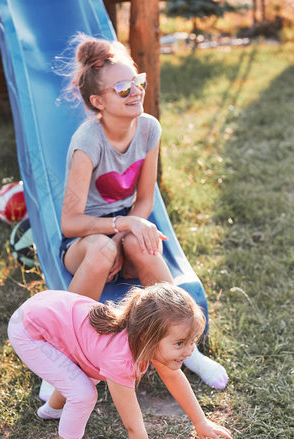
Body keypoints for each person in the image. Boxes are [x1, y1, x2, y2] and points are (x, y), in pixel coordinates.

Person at [58, 33, 228, 390]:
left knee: (142, 243)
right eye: (122, 88)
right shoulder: (87, 141)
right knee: (104, 249)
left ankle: (186, 347)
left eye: (137, 82)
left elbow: (146, 200)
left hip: (123, 227)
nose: (135, 91)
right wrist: (117, 229)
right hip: (85, 241)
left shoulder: (149, 128)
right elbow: (70, 223)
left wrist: (126, 232)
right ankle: (67, 355)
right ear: (97, 101)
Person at [8, 283, 233, 439]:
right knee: (83, 393)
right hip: (29, 329)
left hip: (48, 311)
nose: (189, 350)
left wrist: (200, 421)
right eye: (180, 343)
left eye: (192, 341)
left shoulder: (144, 338)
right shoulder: (119, 358)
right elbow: (134, 427)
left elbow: (173, 377)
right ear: (148, 338)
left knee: (82, 378)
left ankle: (52, 409)